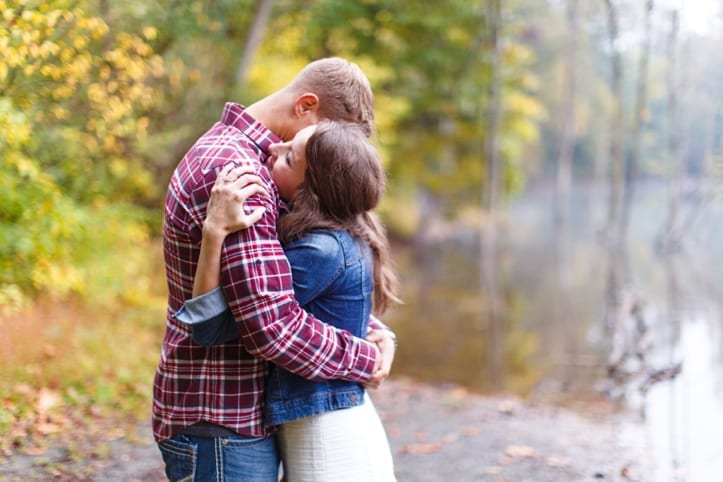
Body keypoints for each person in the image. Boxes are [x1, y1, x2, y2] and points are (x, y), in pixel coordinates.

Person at [153, 57, 397, 482]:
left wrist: (372, 328)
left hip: (233, 412)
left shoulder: (247, 159)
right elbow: (271, 324)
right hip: (221, 412)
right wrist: (364, 355)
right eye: (315, 136)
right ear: (305, 105)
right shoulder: (241, 173)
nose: (276, 151)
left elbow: (278, 285)